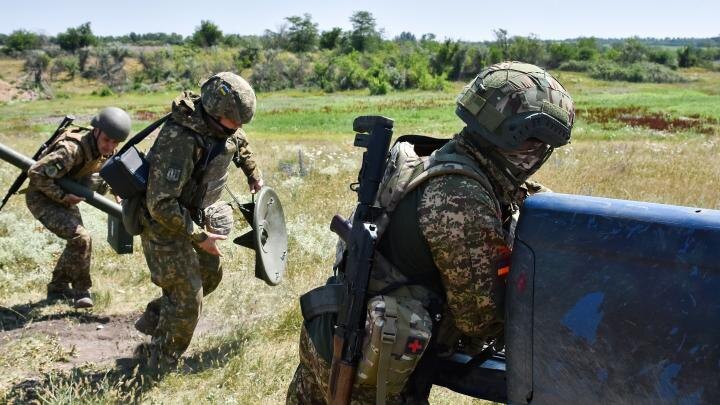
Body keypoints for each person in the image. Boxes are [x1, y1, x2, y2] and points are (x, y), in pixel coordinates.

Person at [287, 61, 576, 404]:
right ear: (520, 138)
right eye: (539, 145)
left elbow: (520, 196)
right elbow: (480, 320)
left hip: (338, 335)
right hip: (367, 368)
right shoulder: (460, 196)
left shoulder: (440, 157)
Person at [133, 72, 262, 371]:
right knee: (189, 300)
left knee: (209, 276)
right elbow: (160, 204)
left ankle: (156, 317)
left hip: (191, 215)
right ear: (214, 115)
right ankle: (158, 364)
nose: (238, 129)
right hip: (162, 225)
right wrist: (199, 236)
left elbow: (238, 142)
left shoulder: (222, 128)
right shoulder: (180, 140)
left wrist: (253, 173)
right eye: (232, 123)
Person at [26, 107, 132, 308]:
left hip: (66, 197)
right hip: (42, 197)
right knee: (81, 238)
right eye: (107, 140)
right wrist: (63, 196)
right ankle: (81, 291)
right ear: (96, 131)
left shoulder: (105, 151)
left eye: (115, 142)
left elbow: (106, 174)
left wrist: (118, 191)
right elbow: (36, 173)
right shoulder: (71, 150)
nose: (110, 146)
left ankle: (57, 288)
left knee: (78, 241)